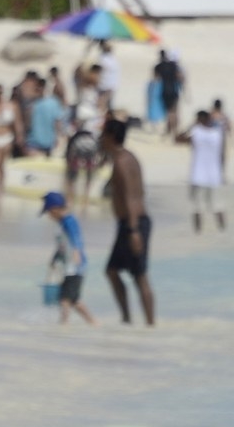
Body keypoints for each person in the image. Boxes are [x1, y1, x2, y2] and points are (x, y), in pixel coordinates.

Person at [101, 117, 155, 326]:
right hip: (131, 223)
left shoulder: (122, 163)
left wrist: (133, 230)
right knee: (112, 271)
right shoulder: (128, 157)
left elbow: (132, 197)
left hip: (133, 224)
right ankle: (127, 318)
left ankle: (150, 325)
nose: (100, 139)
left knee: (140, 276)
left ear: (111, 136)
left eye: (103, 135)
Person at [41, 191, 95, 326]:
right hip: (68, 267)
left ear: (55, 209)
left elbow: (76, 237)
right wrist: (54, 259)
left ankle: (64, 324)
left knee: (65, 299)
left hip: (76, 267)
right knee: (74, 300)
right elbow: (61, 246)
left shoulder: (69, 221)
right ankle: (92, 322)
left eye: (49, 212)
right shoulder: (60, 224)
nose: (48, 216)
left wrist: (77, 251)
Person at [178, 109, 226, 232]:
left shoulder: (196, 132)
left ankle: (198, 231)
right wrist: (222, 172)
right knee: (216, 204)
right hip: (214, 174)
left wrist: (189, 127)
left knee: (196, 206)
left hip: (197, 174)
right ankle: (222, 228)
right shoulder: (217, 134)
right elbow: (222, 154)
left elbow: (178, 138)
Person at [26, 81, 65, 157]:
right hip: (33, 142)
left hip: (49, 143)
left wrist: (59, 137)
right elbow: (27, 122)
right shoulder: (31, 103)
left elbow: (57, 122)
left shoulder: (53, 102)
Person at [157, 48, 184, 137]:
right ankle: (174, 130)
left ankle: (169, 129)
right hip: (173, 90)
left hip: (164, 90)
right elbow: (180, 77)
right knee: (174, 111)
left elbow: (156, 78)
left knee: (169, 112)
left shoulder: (160, 66)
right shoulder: (174, 66)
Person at [96, 39, 120, 109]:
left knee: (107, 107)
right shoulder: (103, 58)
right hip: (105, 86)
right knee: (104, 107)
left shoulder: (109, 57)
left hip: (109, 86)